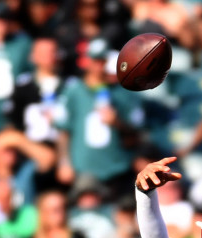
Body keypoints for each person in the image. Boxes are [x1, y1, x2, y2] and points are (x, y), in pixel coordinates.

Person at [54, 40, 145, 193]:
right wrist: (64, 163)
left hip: (117, 167)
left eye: (102, 61)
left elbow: (136, 134)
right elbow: (63, 131)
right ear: (87, 61)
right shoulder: (73, 91)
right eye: (95, 60)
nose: (99, 66)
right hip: (83, 169)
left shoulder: (123, 93)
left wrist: (117, 123)